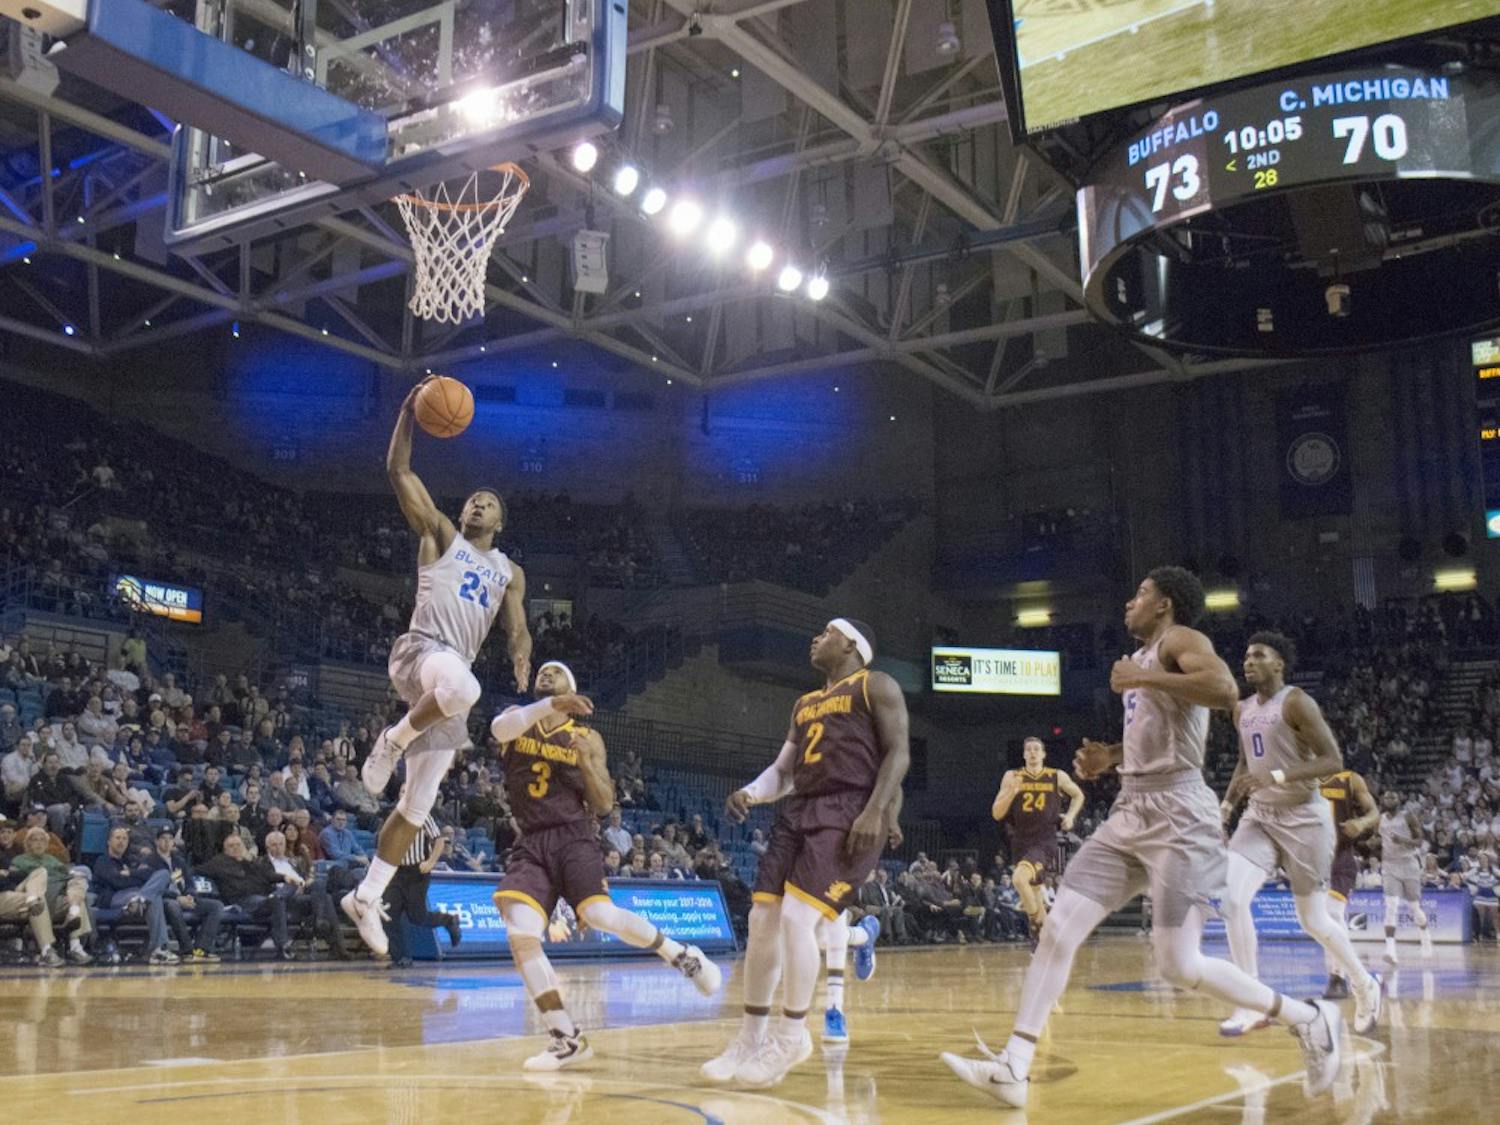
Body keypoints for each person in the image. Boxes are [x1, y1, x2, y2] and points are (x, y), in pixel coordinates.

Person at [942, 567, 1343, 1108]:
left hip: (1181, 813)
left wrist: (1141, 679)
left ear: (1165, 604)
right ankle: (1013, 1065)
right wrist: (1108, 756)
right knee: (1058, 928)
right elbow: (1159, 735)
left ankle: (1310, 1019)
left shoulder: (1180, 640)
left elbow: (1223, 688)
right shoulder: (1146, 657)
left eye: (1141, 595)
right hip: (1132, 808)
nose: (1130, 603)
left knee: (1178, 964)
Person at [342, 379, 533, 956]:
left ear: (500, 519)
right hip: (422, 654)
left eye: (488, 501)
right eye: (472, 498)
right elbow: (399, 473)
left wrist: (522, 650)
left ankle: (366, 896)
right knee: (465, 685)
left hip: (449, 688)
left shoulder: (509, 571)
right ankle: (393, 738)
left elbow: (516, 623)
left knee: (416, 807)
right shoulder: (441, 535)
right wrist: (406, 410)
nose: (476, 503)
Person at [704, 618, 909, 1088]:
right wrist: (753, 793)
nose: (816, 639)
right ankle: (750, 1038)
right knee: (762, 922)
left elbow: (899, 754)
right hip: (800, 811)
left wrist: (876, 811)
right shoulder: (805, 703)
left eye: (826, 632)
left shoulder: (874, 685)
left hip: (850, 808)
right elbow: (785, 770)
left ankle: (792, 1034)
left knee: (799, 918)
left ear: (852, 644)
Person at [489, 661, 721, 1070]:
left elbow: (604, 803)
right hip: (531, 841)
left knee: (599, 914)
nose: (546, 674)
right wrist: (549, 704)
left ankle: (681, 955)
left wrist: (585, 763)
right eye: (542, 672)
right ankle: (565, 1038)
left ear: (572, 687)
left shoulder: (586, 736)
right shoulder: (515, 718)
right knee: (519, 933)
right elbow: (498, 732)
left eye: (556, 673)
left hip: (574, 836)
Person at [1217, 633, 1382, 1037]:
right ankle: (1252, 1001)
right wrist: (1225, 807)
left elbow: (1333, 760)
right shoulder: (1241, 710)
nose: (1249, 661)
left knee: (1313, 920)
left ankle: (1364, 983)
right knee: (1231, 900)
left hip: (1305, 818)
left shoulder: (1296, 702)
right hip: (1260, 816)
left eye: (1259, 655)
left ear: (1279, 664)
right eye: (1246, 655)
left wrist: (1276, 775)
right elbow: (1245, 761)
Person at [991, 736, 1083, 946]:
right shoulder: (1012, 776)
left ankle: (1035, 925)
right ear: (1024, 754)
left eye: (1036, 749)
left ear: (1043, 754)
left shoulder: (1055, 776)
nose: (1032, 752)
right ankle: (1045, 943)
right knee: (1033, 892)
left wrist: (1070, 816)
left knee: (1018, 879)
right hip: (1020, 840)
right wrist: (1012, 792)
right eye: (1028, 749)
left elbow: (1078, 795)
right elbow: (997, 813)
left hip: (1044, 840)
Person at [1318, 766, 1380, 998]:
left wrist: (1362, 823)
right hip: (1311, 859)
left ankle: (1338, 976)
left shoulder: (1349, 779)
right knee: (1317, 920)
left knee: (1333, 913)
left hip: (1340, 857)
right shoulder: (1300, 780)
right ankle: (1353, 975)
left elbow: (1374, 812)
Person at [382, 815, 460, 968]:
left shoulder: (422, 815)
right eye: (401, 791)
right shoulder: (393, 816)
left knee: (417, 917)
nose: (404, 794)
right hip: (396, 871)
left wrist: (431, 862)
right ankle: (401, 957)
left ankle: (448, 920)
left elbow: (439, 840)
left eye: (406, 791)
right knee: (387, 914)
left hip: (417, 872)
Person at [91, 826, 177, 963]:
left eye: (125, 838)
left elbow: (150, 874)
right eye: (117, 838)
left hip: (135, 895)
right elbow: (117, 882)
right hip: (113, 898)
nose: (121, 841)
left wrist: (131, 873)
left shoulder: (131, 861)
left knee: (164, 874)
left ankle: (141, 899)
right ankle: (158, 948)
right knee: (153, 895)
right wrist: (137, 880)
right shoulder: (102, 861)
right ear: (109, 841)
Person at [139, 826, 224, 962]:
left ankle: (202, 949)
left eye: (170, 839)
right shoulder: (149, 861)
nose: (167, 842)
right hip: (164, 900)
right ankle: (187, 950)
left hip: (184, 898)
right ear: (156, 841)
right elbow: (152, 889)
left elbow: (190, 883)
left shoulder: (179, 860)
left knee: (216, 906)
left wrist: (190, 895)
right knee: (173, 905)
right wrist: (177, 898)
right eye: (163, 839)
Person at [9, 826, 92, 962]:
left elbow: (67, 874)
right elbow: (14, 882)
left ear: (47, 844)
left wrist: (75, 877)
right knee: (39, 888)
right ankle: (47, 949)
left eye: (42, 840)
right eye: (35, 840)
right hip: (33, 901)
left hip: (55, 898)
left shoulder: (52, 860)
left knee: (78, 883)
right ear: (28, 843)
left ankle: (75, 946)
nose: (39, 843)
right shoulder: (19, 860)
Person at [1378, 788, 1434, 963]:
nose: (1389, 799)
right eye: (1386, 797)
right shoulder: (1379, 819)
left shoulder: (1408, 816)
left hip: (1409, 864)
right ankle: (1390, 950)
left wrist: (1402, 840)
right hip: (1389, 864)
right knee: (1391, 905)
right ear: (1383, 801)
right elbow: (1375, 839)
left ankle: (1424, 934)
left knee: (1414, 908)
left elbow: (1419, 841)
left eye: (1392, 796)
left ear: (1399, 799)